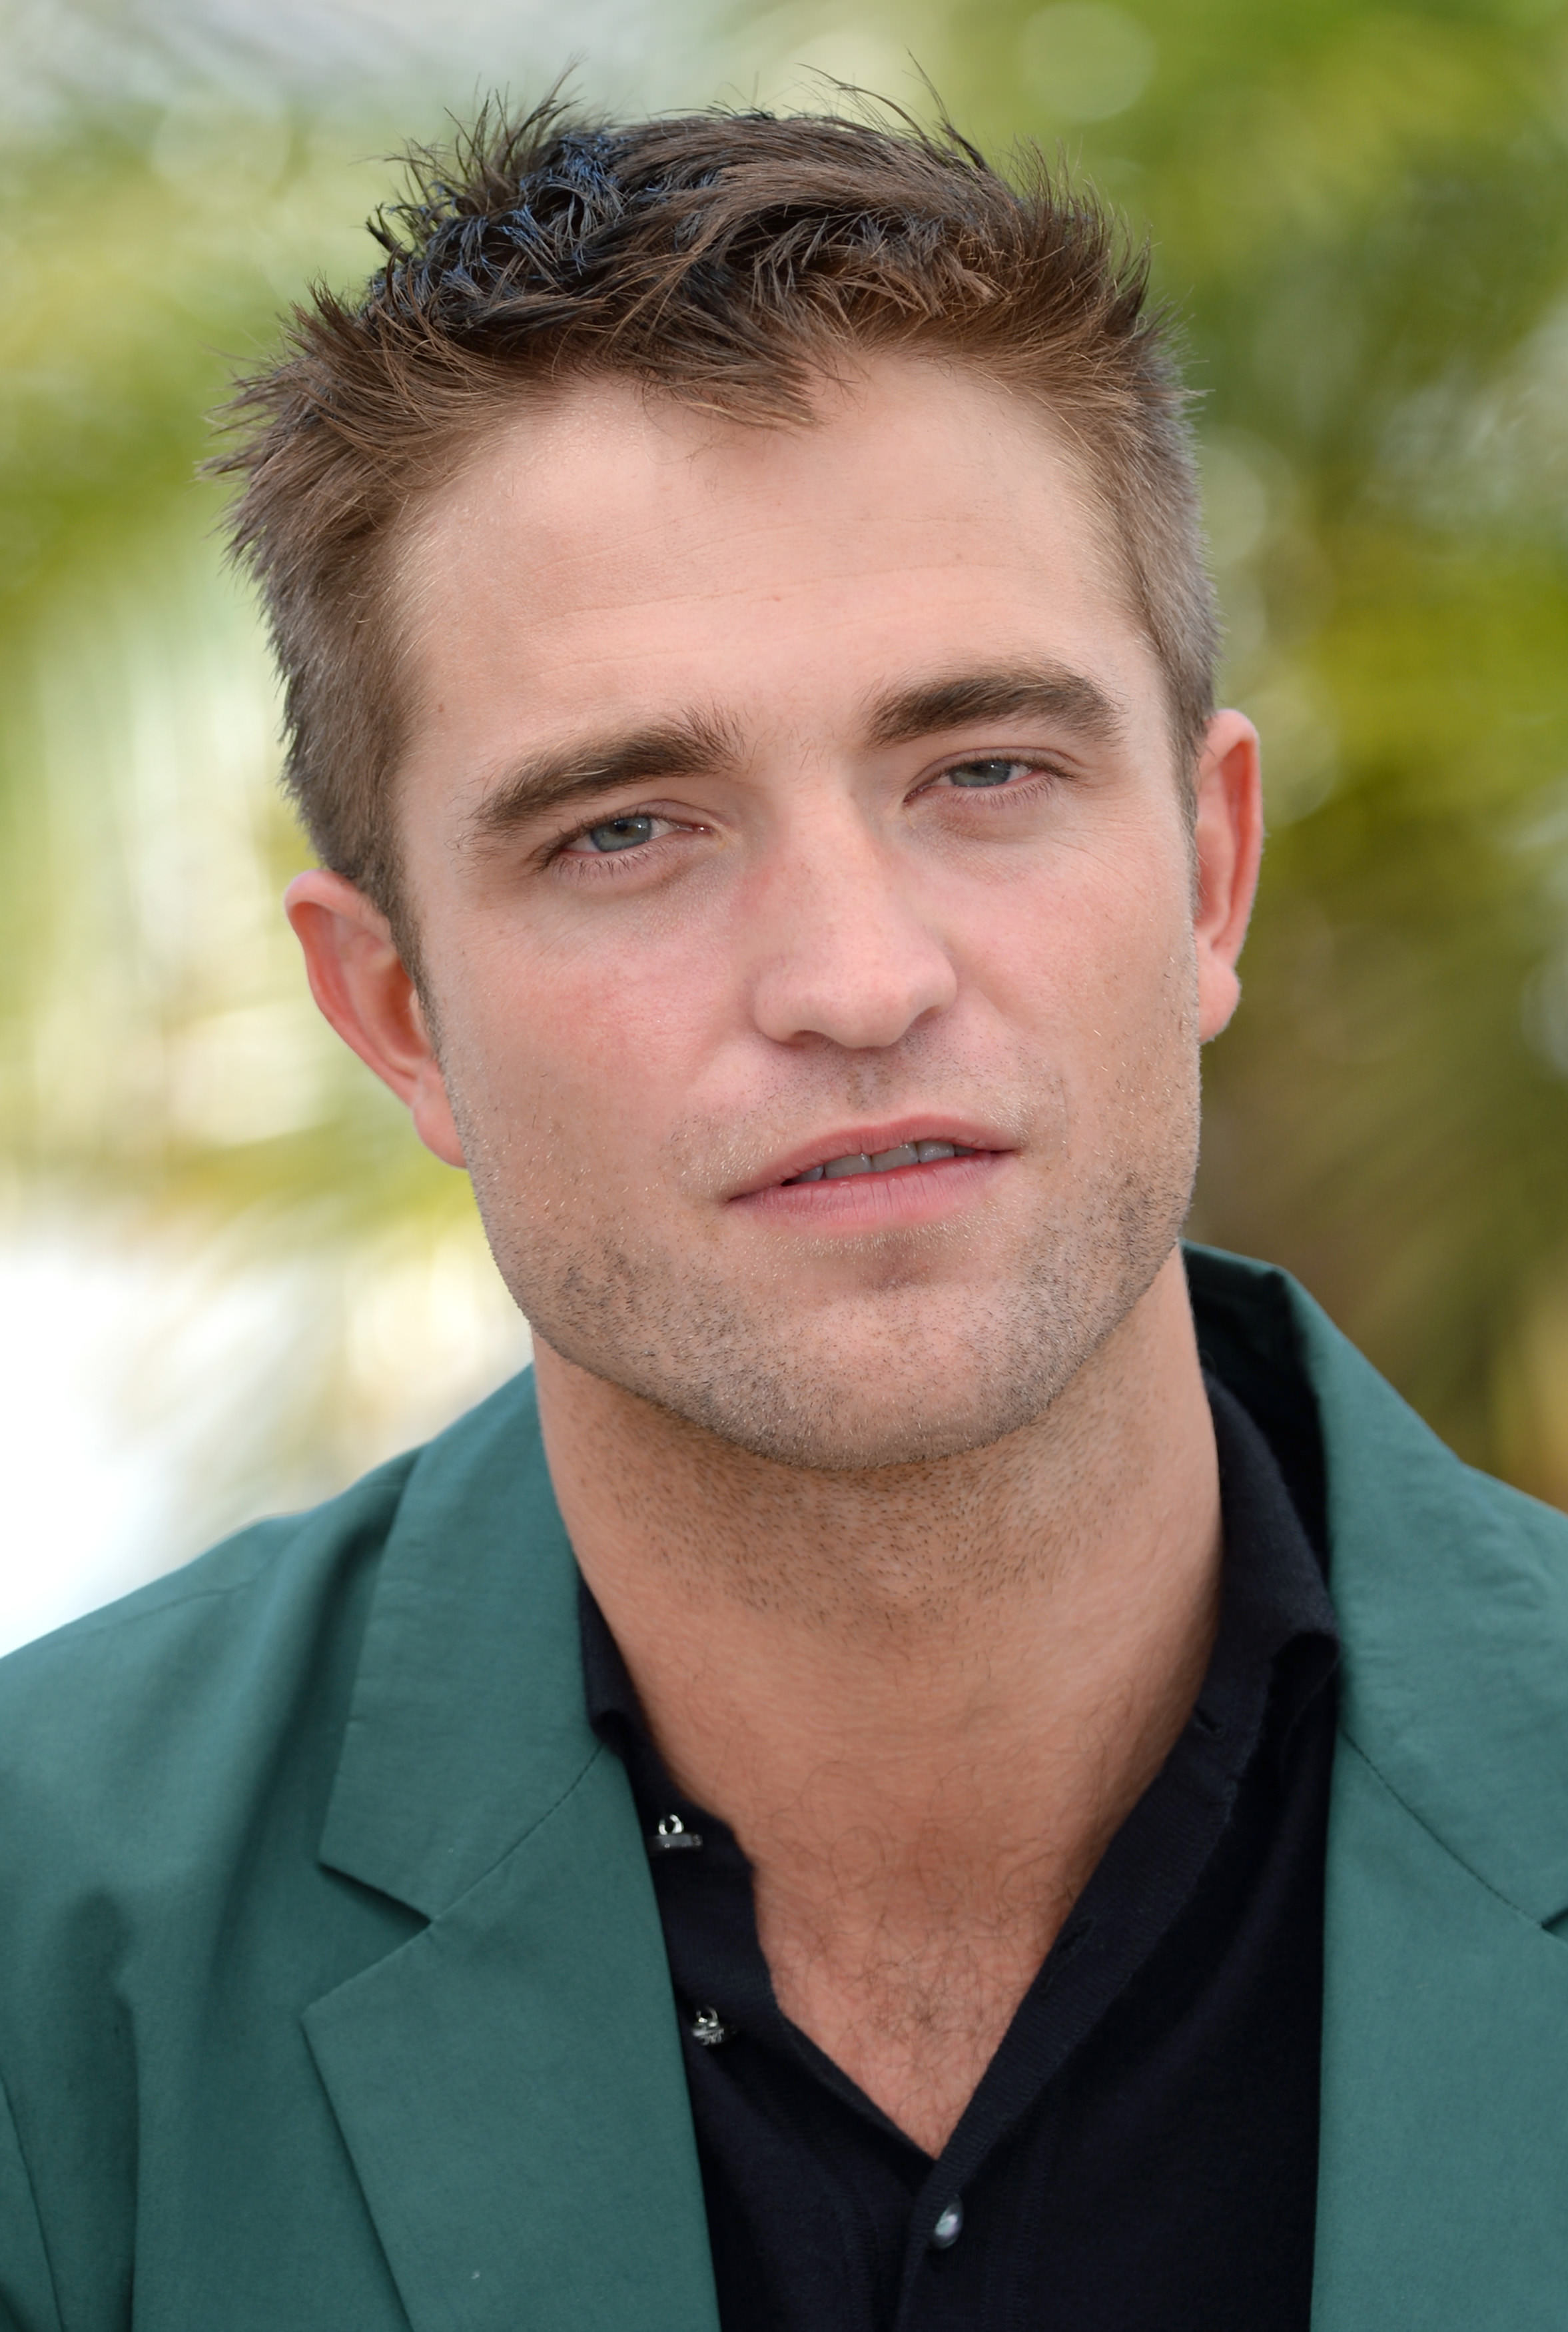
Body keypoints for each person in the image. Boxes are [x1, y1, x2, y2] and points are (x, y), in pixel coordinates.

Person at [2, 97, 1566, 2332]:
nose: (853, 979)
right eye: (626, 829)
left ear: (1209, 873)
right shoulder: (40, 1936)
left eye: (985, 770)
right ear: (395, 1013)